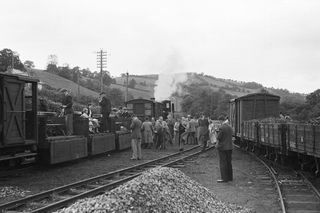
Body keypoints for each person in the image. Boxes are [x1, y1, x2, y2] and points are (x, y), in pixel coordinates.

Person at [216, 115, 233, 183]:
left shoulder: (222, 127)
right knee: (229, 162)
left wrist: (216, 133)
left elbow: (219, 137)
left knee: (223, 163)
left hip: (223, 147)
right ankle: (230, 177)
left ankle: (224, 178)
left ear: (221, 120)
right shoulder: (229, 126)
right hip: (230, 147)